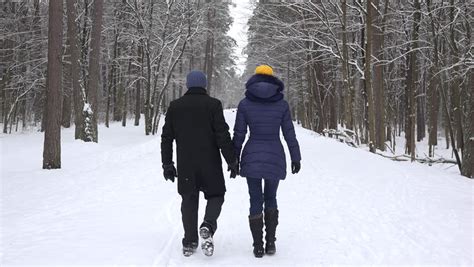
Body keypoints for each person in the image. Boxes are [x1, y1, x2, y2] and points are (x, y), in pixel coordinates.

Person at [161, 70, 239, 257]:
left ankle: (189, 242)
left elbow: (166, 137)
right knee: (216, 194)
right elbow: (222, 135)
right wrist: (232, 160)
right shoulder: (213, 105)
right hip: (210, 162)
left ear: (188, 85)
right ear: (204, 85)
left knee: (189, 199)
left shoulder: (175, 106)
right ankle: (208, 225)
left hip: (186, 163)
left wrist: (167, 164)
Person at [233, 65, 301, 258]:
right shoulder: (282, 104)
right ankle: (270, 243)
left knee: (255, 198)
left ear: (255, 78)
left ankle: (257, 246)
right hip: (275, 155)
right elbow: (289, 133)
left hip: (251, 155)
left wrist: (234, 159)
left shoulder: (245, 103)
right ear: (273, 79)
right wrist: (296, 156)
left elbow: (239, 133)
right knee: (271, 197)